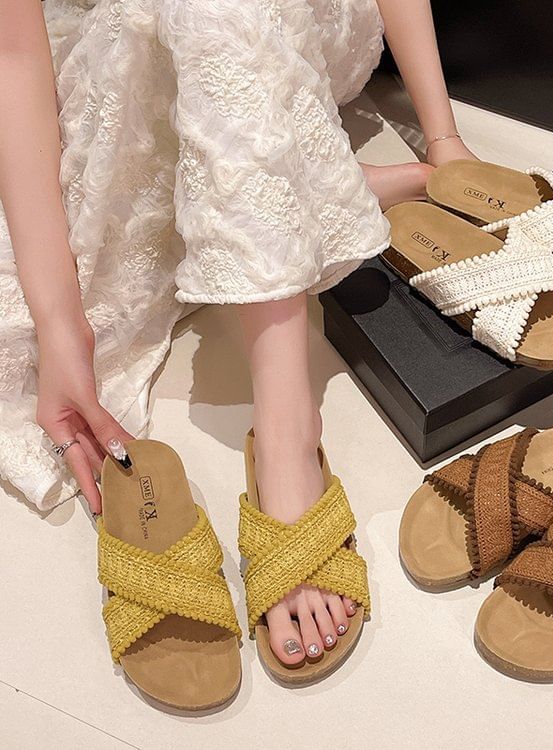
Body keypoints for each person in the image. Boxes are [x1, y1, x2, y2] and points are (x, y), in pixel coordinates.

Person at [0, 0, 476, 666]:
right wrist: (59, 329)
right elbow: (13, 51)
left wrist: (444, 136)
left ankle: (287, 430)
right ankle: (328, 183)